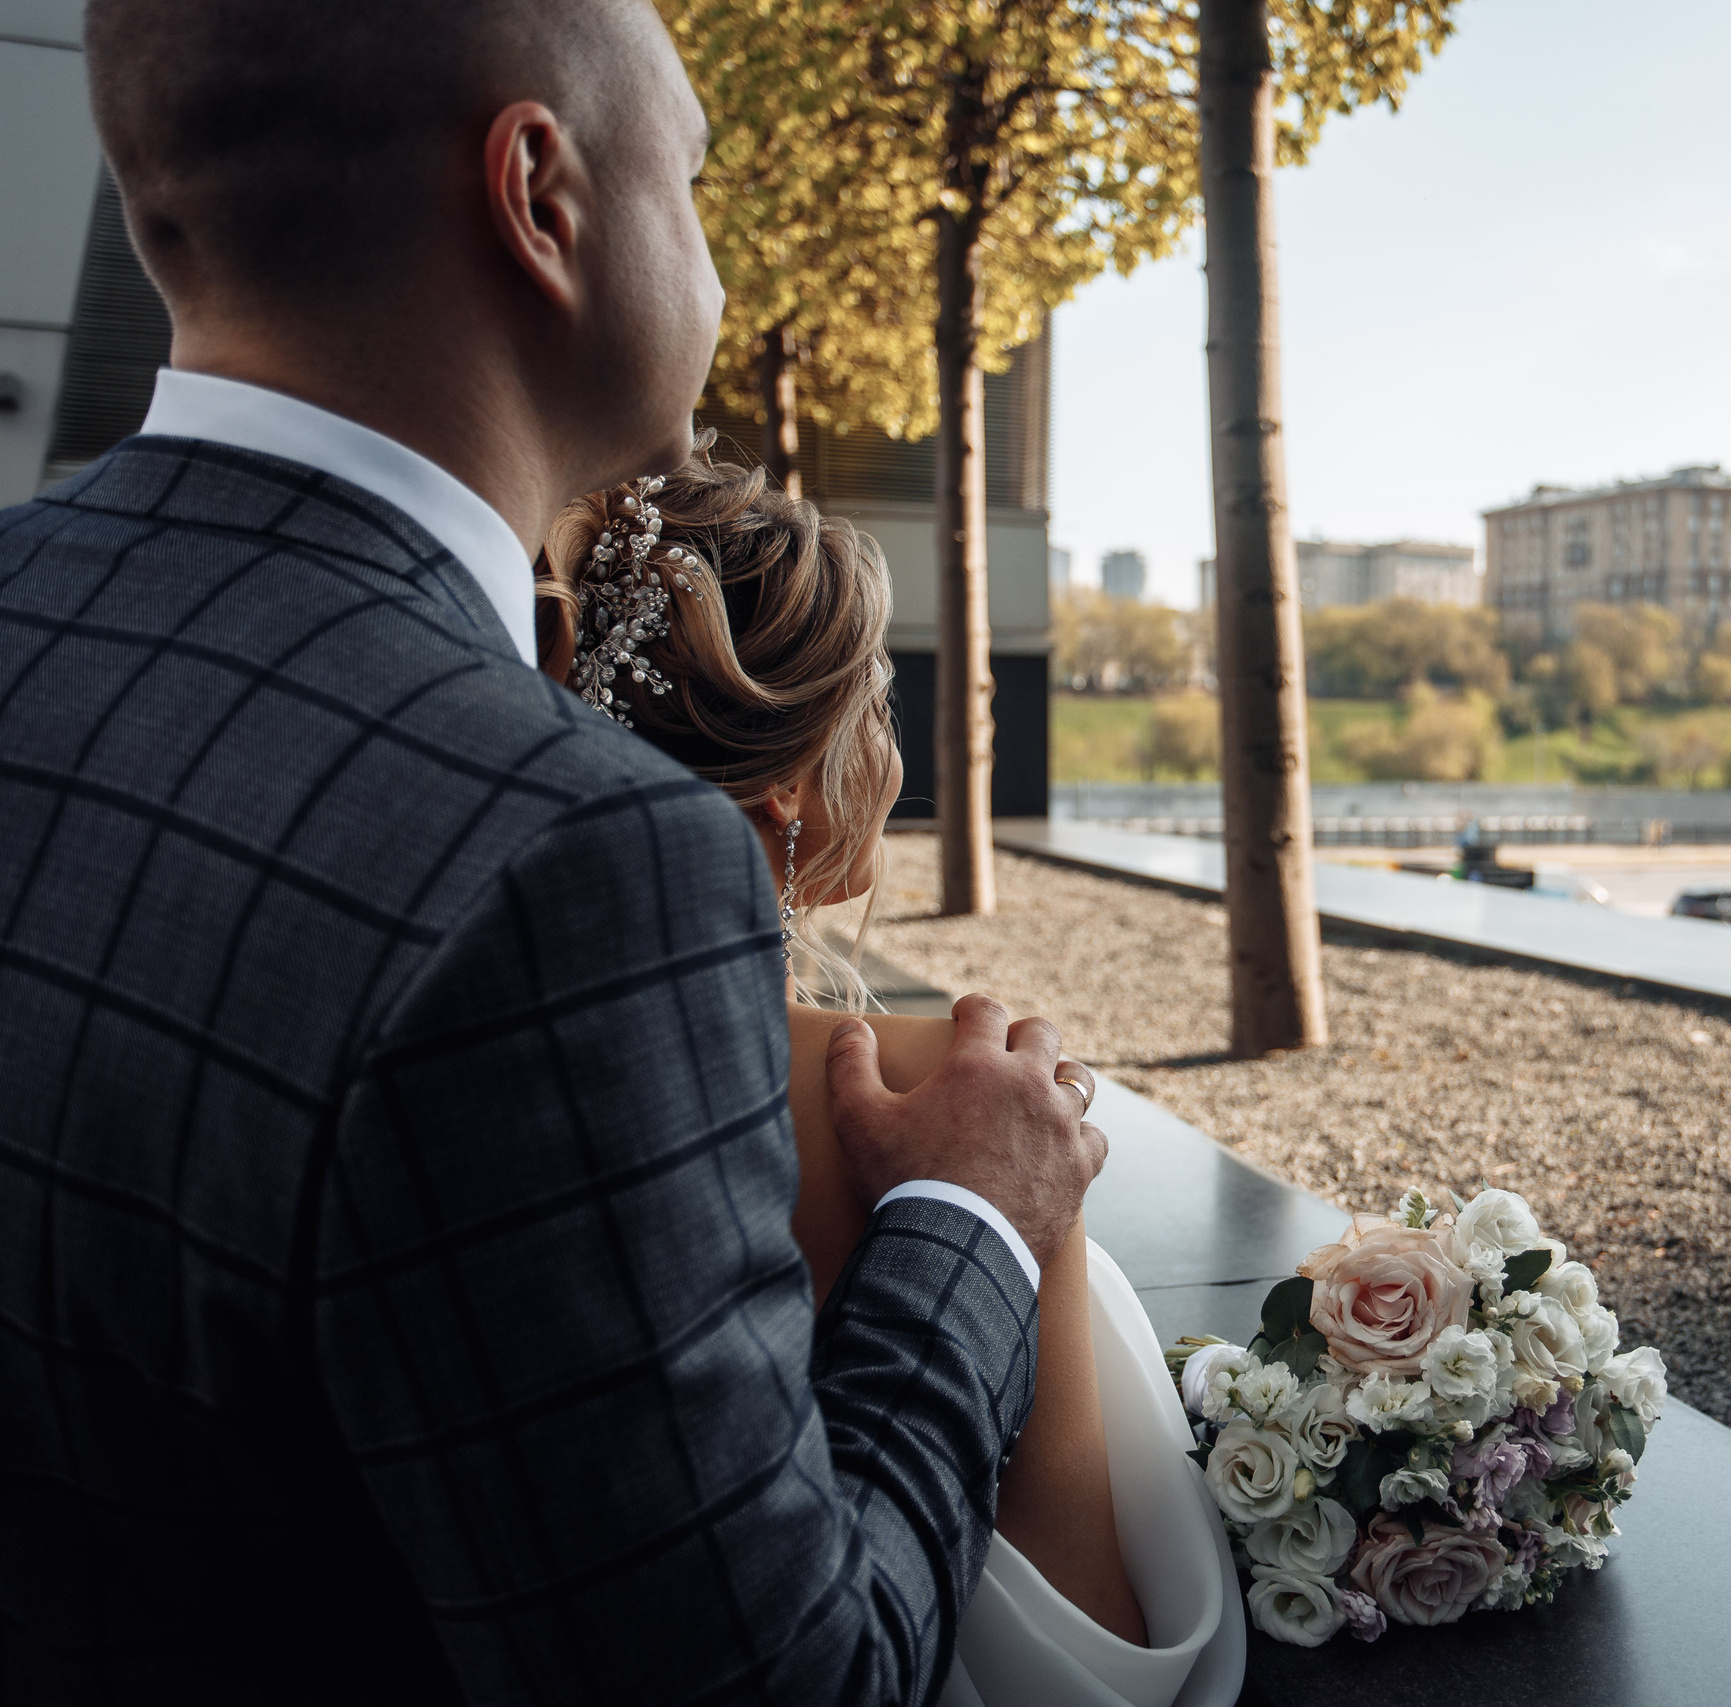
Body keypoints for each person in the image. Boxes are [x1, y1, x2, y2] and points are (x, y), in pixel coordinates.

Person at [0, 3, 1099, 1702]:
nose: (719, 266)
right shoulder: (580, 863)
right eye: (697, 178)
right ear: (542, 195)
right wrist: (974, 1214)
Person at [535, 456, 1243, 1706]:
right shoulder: (949, 1096)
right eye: (877, 704)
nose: (887, 749)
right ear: (791, 781)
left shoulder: (509, 1078)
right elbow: (1086, 1635)